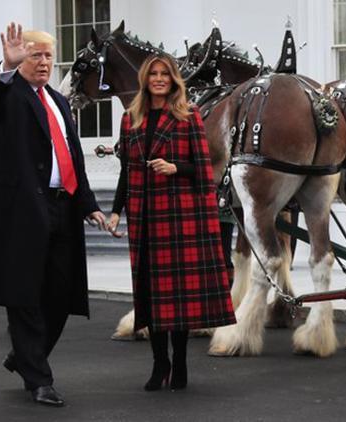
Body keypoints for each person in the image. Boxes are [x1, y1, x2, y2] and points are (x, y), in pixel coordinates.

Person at [0, 23, 106, 407]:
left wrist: (90, 205)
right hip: (22, 210)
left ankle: (26, 355)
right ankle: (39, 379)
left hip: (63, 206)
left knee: (61, 295)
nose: (43, 62)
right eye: (35, 55)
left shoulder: (59, 103)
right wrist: (5, 68)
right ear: (19, 58)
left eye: (47, 55)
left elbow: (73, 158)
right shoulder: (7, 94)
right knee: (24, 294)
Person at [106, 52, 235, 391]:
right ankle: (158, 363)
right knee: (149, 295)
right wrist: (117, 210)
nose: (159, 78)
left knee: (177, 297)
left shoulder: (188, 115)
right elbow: (126, 171)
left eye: (165, 73)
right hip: (143, 217)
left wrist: (176, 168)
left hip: (179, 217)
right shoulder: (130, 118)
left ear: (173, 79)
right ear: (145, 79)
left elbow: (204, 169)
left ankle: (179, 363)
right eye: (154, 74)